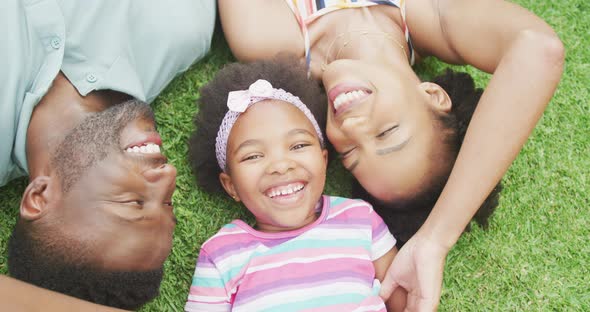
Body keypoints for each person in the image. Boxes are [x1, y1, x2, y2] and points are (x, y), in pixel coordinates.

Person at [218, 0, 564, 310]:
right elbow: (537, 49)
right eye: (387, 132)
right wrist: (436, 238)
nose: (351, 126)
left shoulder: (269, 38)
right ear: (433, 95)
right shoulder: (432, 16)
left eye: (350, 152)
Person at [1, 0, 215, 309]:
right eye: (167, 204)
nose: (168, 176)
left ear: (41, 197)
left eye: (133, 202)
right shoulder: (183, 32)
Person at [185, 58, 406, 311]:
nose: (280, 165)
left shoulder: (360, 219)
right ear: (231, 185)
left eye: (298, 146)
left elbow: (401, 297)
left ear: (323, 160)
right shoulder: (221, 254)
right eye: (253, 156)